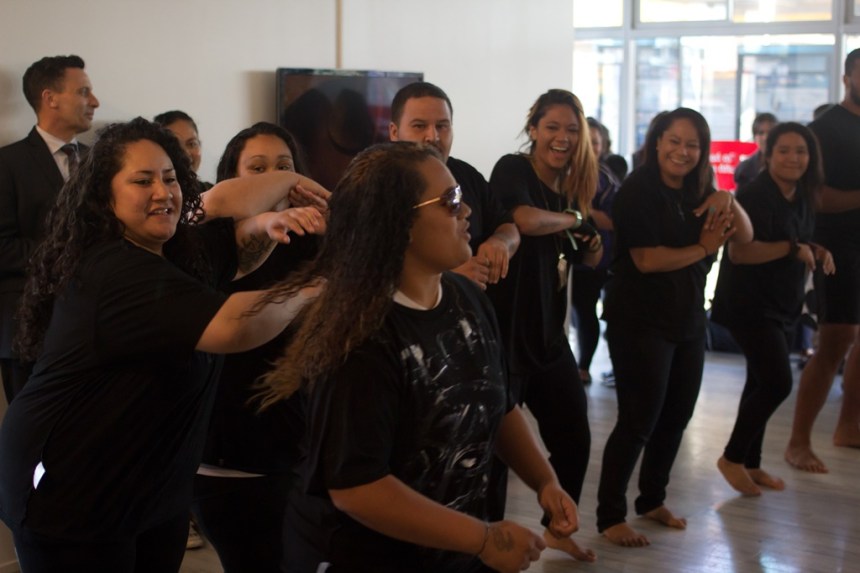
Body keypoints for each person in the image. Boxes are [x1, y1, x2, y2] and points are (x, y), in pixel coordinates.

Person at [0, 117, 326, 573]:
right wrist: (320, 288)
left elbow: (225, 207)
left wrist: (291, 186)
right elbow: (234, 326)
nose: (162, 192)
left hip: (153, 488)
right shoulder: (113, 270)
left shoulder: (175, 250)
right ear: (104, 196)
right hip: (72, 494)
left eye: (170, 178)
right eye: (142, 180)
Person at [252, 141, 577, 573]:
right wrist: (484, 538)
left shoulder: (467, 299)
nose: (467, 211)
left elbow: (496, 404)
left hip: (451, 551)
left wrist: (544, 481)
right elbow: (358, 488)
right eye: (451, 201)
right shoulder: (361, 337)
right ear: (400, 223)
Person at [597, 107, 753, 547]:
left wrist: (728, 199)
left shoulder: (701, 190)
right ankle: (610, 516)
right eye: (674, 141)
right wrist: (703, 247)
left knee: (676, 417)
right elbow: (647, 260)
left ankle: (651, 500)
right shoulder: (637, 190)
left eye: (692, 144)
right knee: (638, 420)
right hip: (639, 320)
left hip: (687, 319)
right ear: (657, 142)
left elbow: (744, 236)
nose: (682, 152)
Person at [191, 122, 324, 573]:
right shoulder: (213, 245)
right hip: (231, 454)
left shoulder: (314, 244)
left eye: (285, 167)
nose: (275, 180)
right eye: (258, 169)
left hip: (299, 449)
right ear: (232, 179)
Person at [486, 89, 601, 562]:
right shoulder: (513, 170)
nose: (562, 137)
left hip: (549, 341)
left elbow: (584, 259)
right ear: (533, 129)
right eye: (552, 127)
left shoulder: (572, 191)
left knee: (574, 438)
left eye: (572, 130)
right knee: (495, 456)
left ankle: (557, 529)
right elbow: (525, 221)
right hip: (504, 340)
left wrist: (590, 244)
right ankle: (486, 545)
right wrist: (574, 220)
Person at [711, 122, 833, 496]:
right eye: (784, 150)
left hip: (781, 303)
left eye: (801, 151)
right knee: (778, 381)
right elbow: (740, 252)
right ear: (768, 154)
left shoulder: (802, 194)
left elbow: (796, 239)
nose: (793, 158)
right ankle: (732, 457)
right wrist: (792, 250)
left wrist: (816, 250)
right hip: (749, 304)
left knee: (759, 380)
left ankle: (751, 462)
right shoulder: (755, 194)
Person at [0, 55, 99, 403]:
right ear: (50, 98)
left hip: (97, 327)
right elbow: (3, 248)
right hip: (29, 328)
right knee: (33, 432)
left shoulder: (101, 161)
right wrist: (72, 254)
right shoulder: (6, 163)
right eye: (83, 91)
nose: (95, 101)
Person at [785, 48, 860, 473]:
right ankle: (798, 442)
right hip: (837, 248)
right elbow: (814, 196)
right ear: (848, 77)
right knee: (835, 339)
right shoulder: (825, 129)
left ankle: (849, 426)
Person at [389, 82, 520, 291]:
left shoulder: (467, 174)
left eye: (442, 126)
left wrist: (501, 242)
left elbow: (508, 226)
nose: (433, 137)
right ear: (394, 132)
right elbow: (363, 265)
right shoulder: (377, 185)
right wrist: (444, 277)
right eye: (419, 126)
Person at [570, 117, 620, 384]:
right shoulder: (562, 172)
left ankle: (583, 367)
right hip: (567, 259)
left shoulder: (606, 179)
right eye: (585, 141)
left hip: (597, 260)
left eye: (596, 142)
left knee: (586, 309)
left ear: (603, 146)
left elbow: (615, 221)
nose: (590, 147)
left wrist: (582, 212)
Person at [154, 110, 209, 188]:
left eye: (192, 144)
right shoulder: (157, 193)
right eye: (176, 145)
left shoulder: (214, 192)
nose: (186, 153)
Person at [734, 112, 778, 189]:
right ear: (754, 137)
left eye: (770, 132)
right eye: (761, 133)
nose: (765, 137)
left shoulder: (788, 166)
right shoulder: (744, 169)